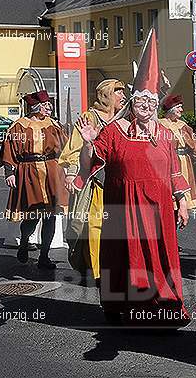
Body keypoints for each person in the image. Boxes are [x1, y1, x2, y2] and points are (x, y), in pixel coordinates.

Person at [77, 33, 192, 327]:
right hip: (124, 206)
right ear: (132, 102)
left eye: (151, 102)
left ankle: (165, 308)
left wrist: (183, 202)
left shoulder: (165, 134)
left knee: (160, 255)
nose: (146, 106)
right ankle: (128, 309)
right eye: (140, 101)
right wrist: (89, 143)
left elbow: (175, 170)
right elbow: (91, 162)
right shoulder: (115, 131)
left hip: (160, 208)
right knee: (127, 255)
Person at [58, 79, 126, 282]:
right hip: (95, 180)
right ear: (107, 95)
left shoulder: (123, 119)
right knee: (89, 226)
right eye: (118, 92)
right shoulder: (91, 117)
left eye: (123, 92)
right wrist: (71, 172)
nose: (123, 96)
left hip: (118, 181)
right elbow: (74, 146)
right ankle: (94, 270)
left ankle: (108, 268)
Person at [0, 90, 69, 270]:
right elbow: (9, 149)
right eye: (45, 105)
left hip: (52, 172)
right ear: (36, 106)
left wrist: (70, 169)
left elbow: (66, 148)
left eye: (49, 105)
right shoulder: (19, 126)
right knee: (32, 216)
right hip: (29, 172)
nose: (49, 108)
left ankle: (44, 256)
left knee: (51, 216)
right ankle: (24, 242)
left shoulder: (54, 125)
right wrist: (10, 173)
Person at [159, 94, 196, 210]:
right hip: (168, 166)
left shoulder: (183, 126)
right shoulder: (160, 125)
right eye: (178, 107)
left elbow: (195, 146)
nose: (181, 110)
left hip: (185, 165)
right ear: (170, 109)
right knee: (171, 200)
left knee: (185, 201)